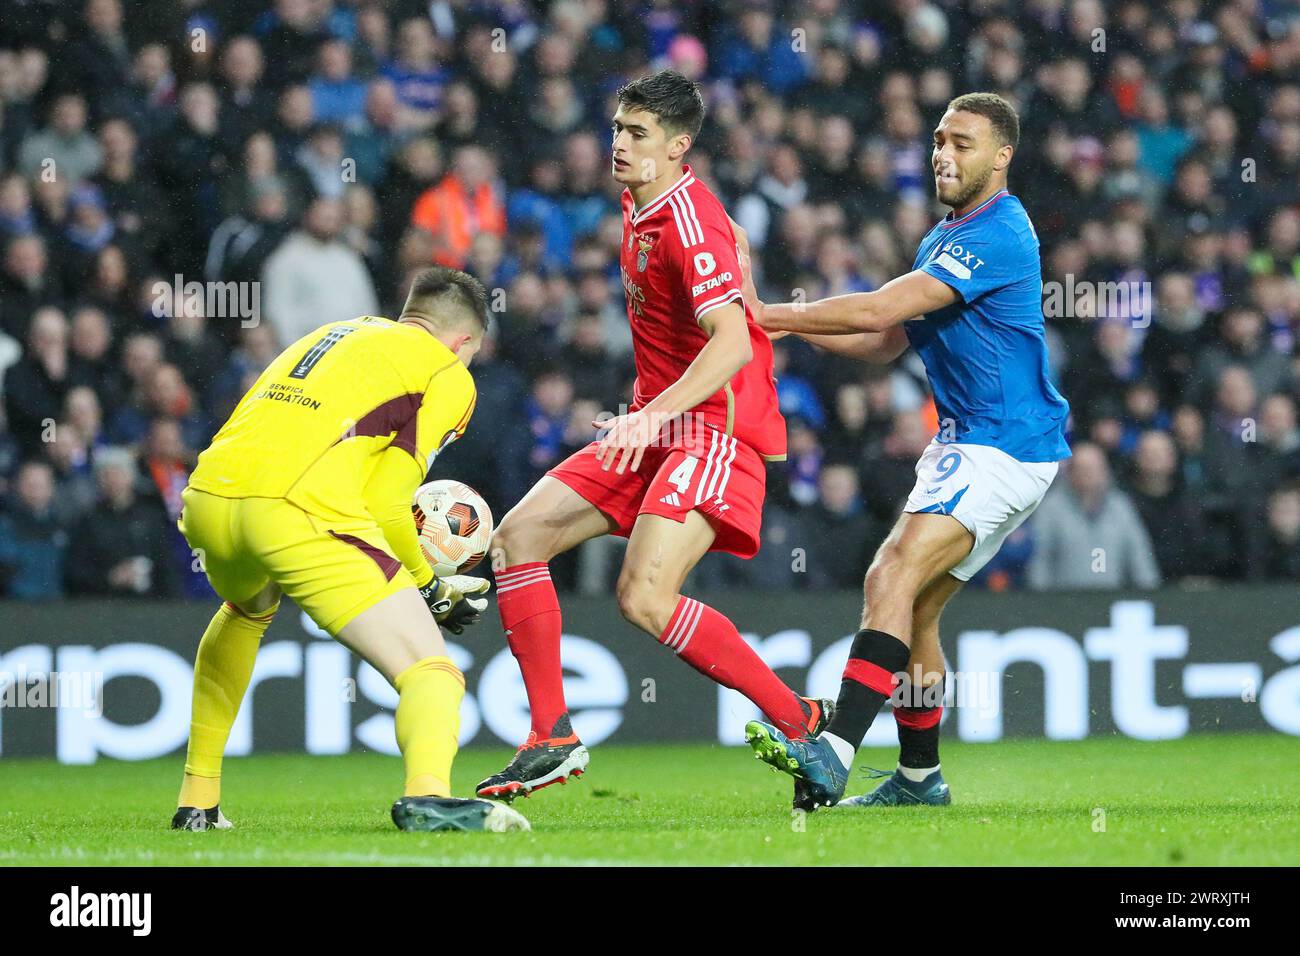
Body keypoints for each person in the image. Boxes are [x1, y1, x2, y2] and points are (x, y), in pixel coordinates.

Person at [477, 70, 832, 801]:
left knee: (642, 597)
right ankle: (552, 735)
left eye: (636, 134)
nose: (618, 144)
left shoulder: (688, 222)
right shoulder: (642, 203)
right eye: (616, 128)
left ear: (678, 147)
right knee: (517, 540)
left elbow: (732, 342)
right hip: (661, 423)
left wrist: (651, 414)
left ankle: (802, 726)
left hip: (712, 431)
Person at [743, 93, 1071, 811]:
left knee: (890, 568)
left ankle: (832, 749)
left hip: (1003, 444)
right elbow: (881, 341)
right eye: (938, 141)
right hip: (979, 444)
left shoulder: (1001, 232)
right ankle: (920, 777)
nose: (943, 155)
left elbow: (880, 308)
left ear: (1002, 156)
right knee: (917, 609)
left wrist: (770, 312)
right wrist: (788, 332)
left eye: (962, 143)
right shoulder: (943, 239)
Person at [173, 266, 527, 834]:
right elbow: (388, 500)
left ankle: (199, 802)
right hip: (293, 512)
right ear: (463, 342)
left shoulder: (330, 334)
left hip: (209, 499)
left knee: (247, 610)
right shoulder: (448, 374)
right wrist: (429, 585)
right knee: (431, 671)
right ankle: (430, 798)